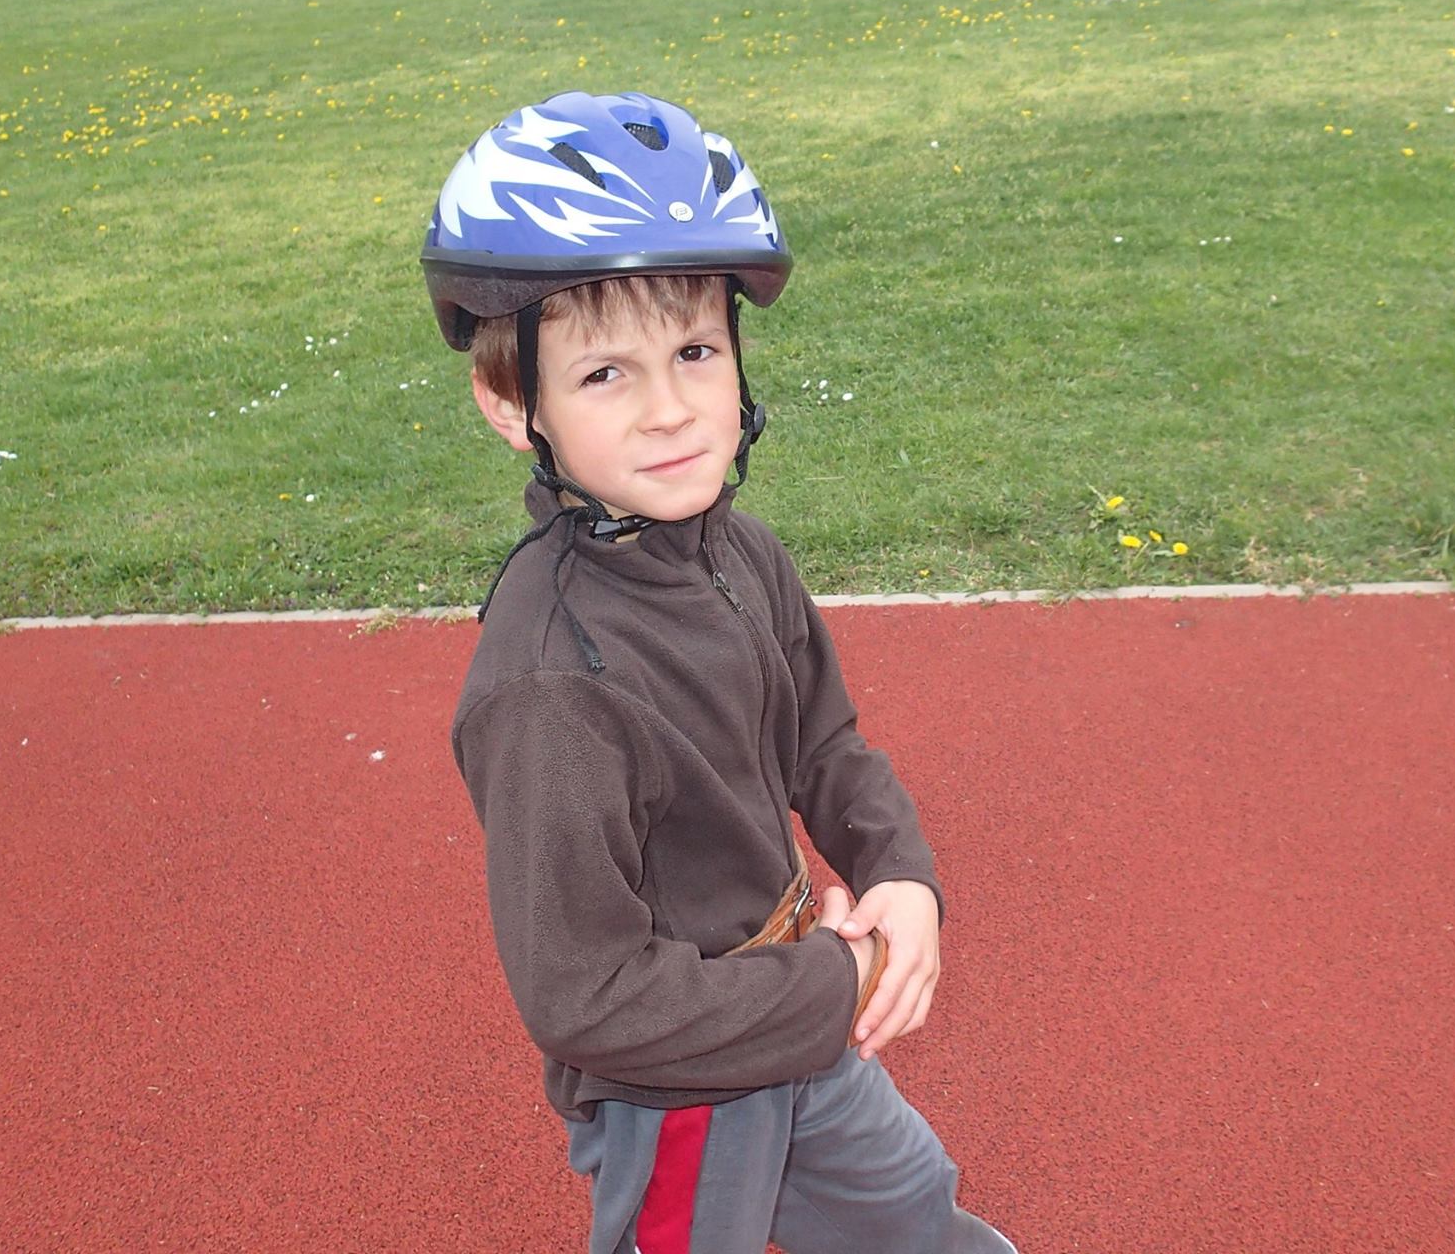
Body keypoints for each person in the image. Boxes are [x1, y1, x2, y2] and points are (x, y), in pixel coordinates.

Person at [421, 91, 1016, 1254]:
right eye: (604, 375)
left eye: (694, 352)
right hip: (682, 1095)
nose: (669, 411)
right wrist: (835, 987)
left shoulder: (741, 554)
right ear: (511, 402)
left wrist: (897, 871)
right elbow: (586, 996)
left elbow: (823, 745)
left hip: (795, 1002)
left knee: (916, 1215)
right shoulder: (552, 691)